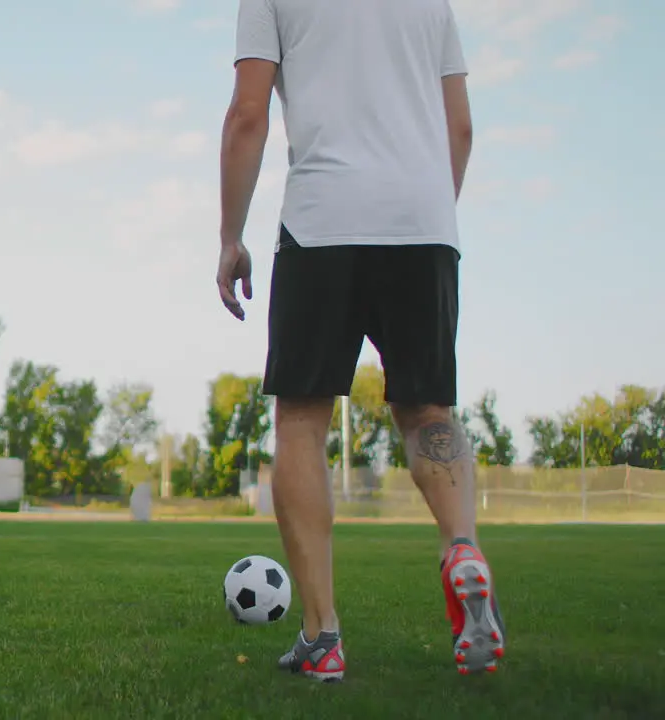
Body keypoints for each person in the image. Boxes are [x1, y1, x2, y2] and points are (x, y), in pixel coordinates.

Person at [215, 0, 505, 682]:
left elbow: (248, 114)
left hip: (324, 222)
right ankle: (461, 546)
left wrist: (230, 237)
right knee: (428, 409)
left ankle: (323, 639)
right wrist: (425, 211)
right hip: (424, 220)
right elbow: (458, 128)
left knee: (303, 424)